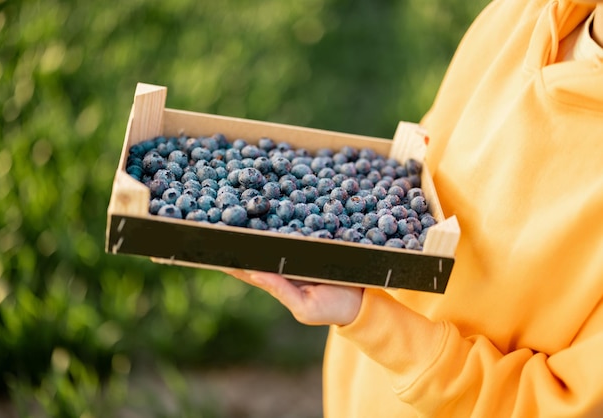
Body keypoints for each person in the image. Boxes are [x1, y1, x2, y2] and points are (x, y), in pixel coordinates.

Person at [227, 0, 603, 416]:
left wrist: (376, 324)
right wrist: (361, 311)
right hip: (364, 387)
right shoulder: (521, 15)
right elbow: (428, 167)